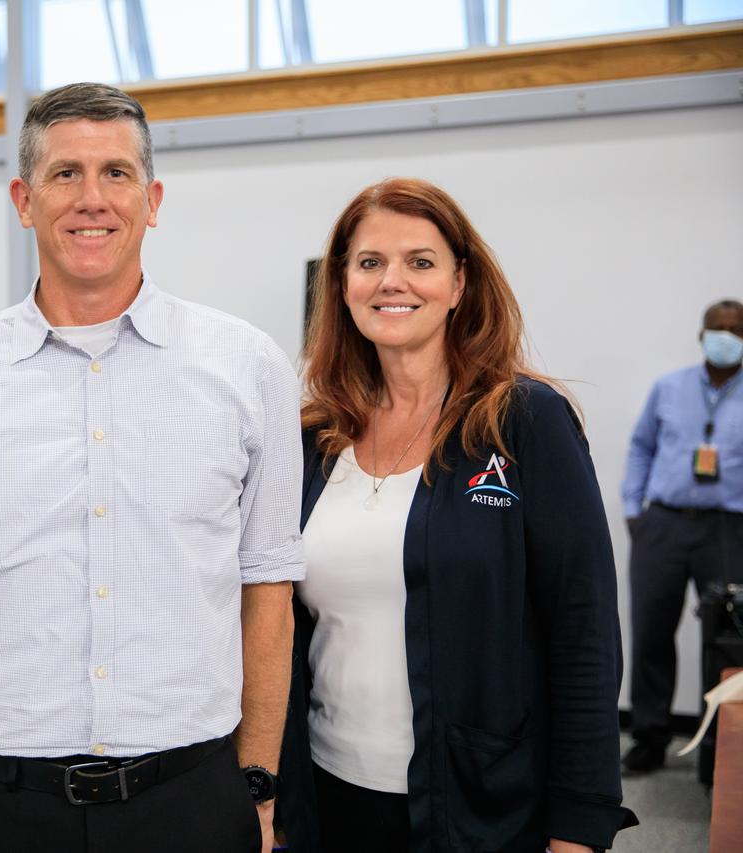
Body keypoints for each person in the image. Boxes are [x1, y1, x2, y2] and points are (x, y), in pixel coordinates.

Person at [0, 82, 304, 853]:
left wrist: (258, 794)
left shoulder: (249, 369)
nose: (91, 198)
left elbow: (267, 592)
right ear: (23, 199)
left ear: (154, 198)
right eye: (65, 173)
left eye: (116, 173)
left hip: (189, 805)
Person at [276, 178, 637, 852]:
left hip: (486, 807)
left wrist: (580, 826)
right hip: (328, 796)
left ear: (460, 282)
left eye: (420, 261)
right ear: (342, 283)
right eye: (369, 262)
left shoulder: (525, 422)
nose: (393, 281)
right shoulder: (311, 438)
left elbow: (584, 628)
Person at [620, 299, 743, 773]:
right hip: (664, 524)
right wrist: (635, 511)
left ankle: (720, 747)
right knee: (651, 631)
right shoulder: (668, 388)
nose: (725, 336)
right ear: (701, 334)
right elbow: (641, 447)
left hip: (729, 529)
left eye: (735, 330)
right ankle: (649, 738)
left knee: (727, 640)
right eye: (718, 328)